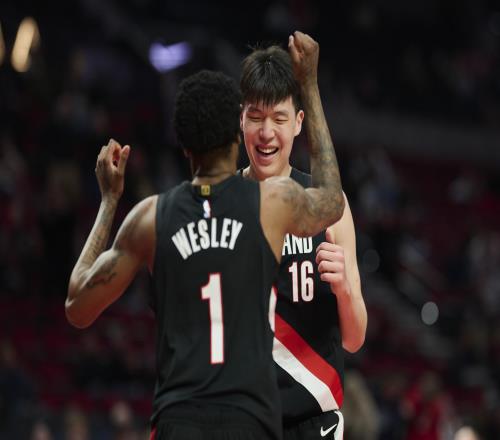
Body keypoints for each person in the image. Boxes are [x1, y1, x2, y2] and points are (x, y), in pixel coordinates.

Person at [65, 65, 345, 439]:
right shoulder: (271, 203)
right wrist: (308, 81)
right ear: (237, 134)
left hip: (179, 419)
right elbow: (331, 200)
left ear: (183, 145)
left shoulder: (151, 218)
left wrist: (108, 200)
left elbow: (77, 307)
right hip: (249, 419)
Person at [239, 31, 367, 439]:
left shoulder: (328, 204)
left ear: (298, 123)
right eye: (256, 117)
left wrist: (344, 289)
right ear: (241, 118)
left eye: (278, 119)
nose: (266, 132)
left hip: (314, 421)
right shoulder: (219, 204)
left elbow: (354, 339)